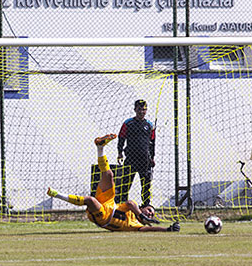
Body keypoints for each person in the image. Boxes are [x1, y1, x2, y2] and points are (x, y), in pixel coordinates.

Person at [47, 133, 180, 233]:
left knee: (90, 200)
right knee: (109, 174)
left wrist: (166, 229)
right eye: (149, 211)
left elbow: (148, 230)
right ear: (142, 208)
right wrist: (140, 215)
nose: (150, 214)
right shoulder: (131, 210)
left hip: (104, 218)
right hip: (109, 202)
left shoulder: (135, 224)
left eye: (151, 214)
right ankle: (100, 147)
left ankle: (56, 194)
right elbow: (130, 203)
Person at [117, 99, 156, 208]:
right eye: (139, 109)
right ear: (135, 110)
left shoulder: (149, 125)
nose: (141, 112)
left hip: (145, 160)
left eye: (144, 110)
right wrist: (119, 152)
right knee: (125, 184)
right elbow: (121, 137)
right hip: (131, 159)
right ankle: (122, 206)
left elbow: (152, 142)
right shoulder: (128, 123)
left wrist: (152, 158)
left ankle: (146, 206)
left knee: (146, 185)